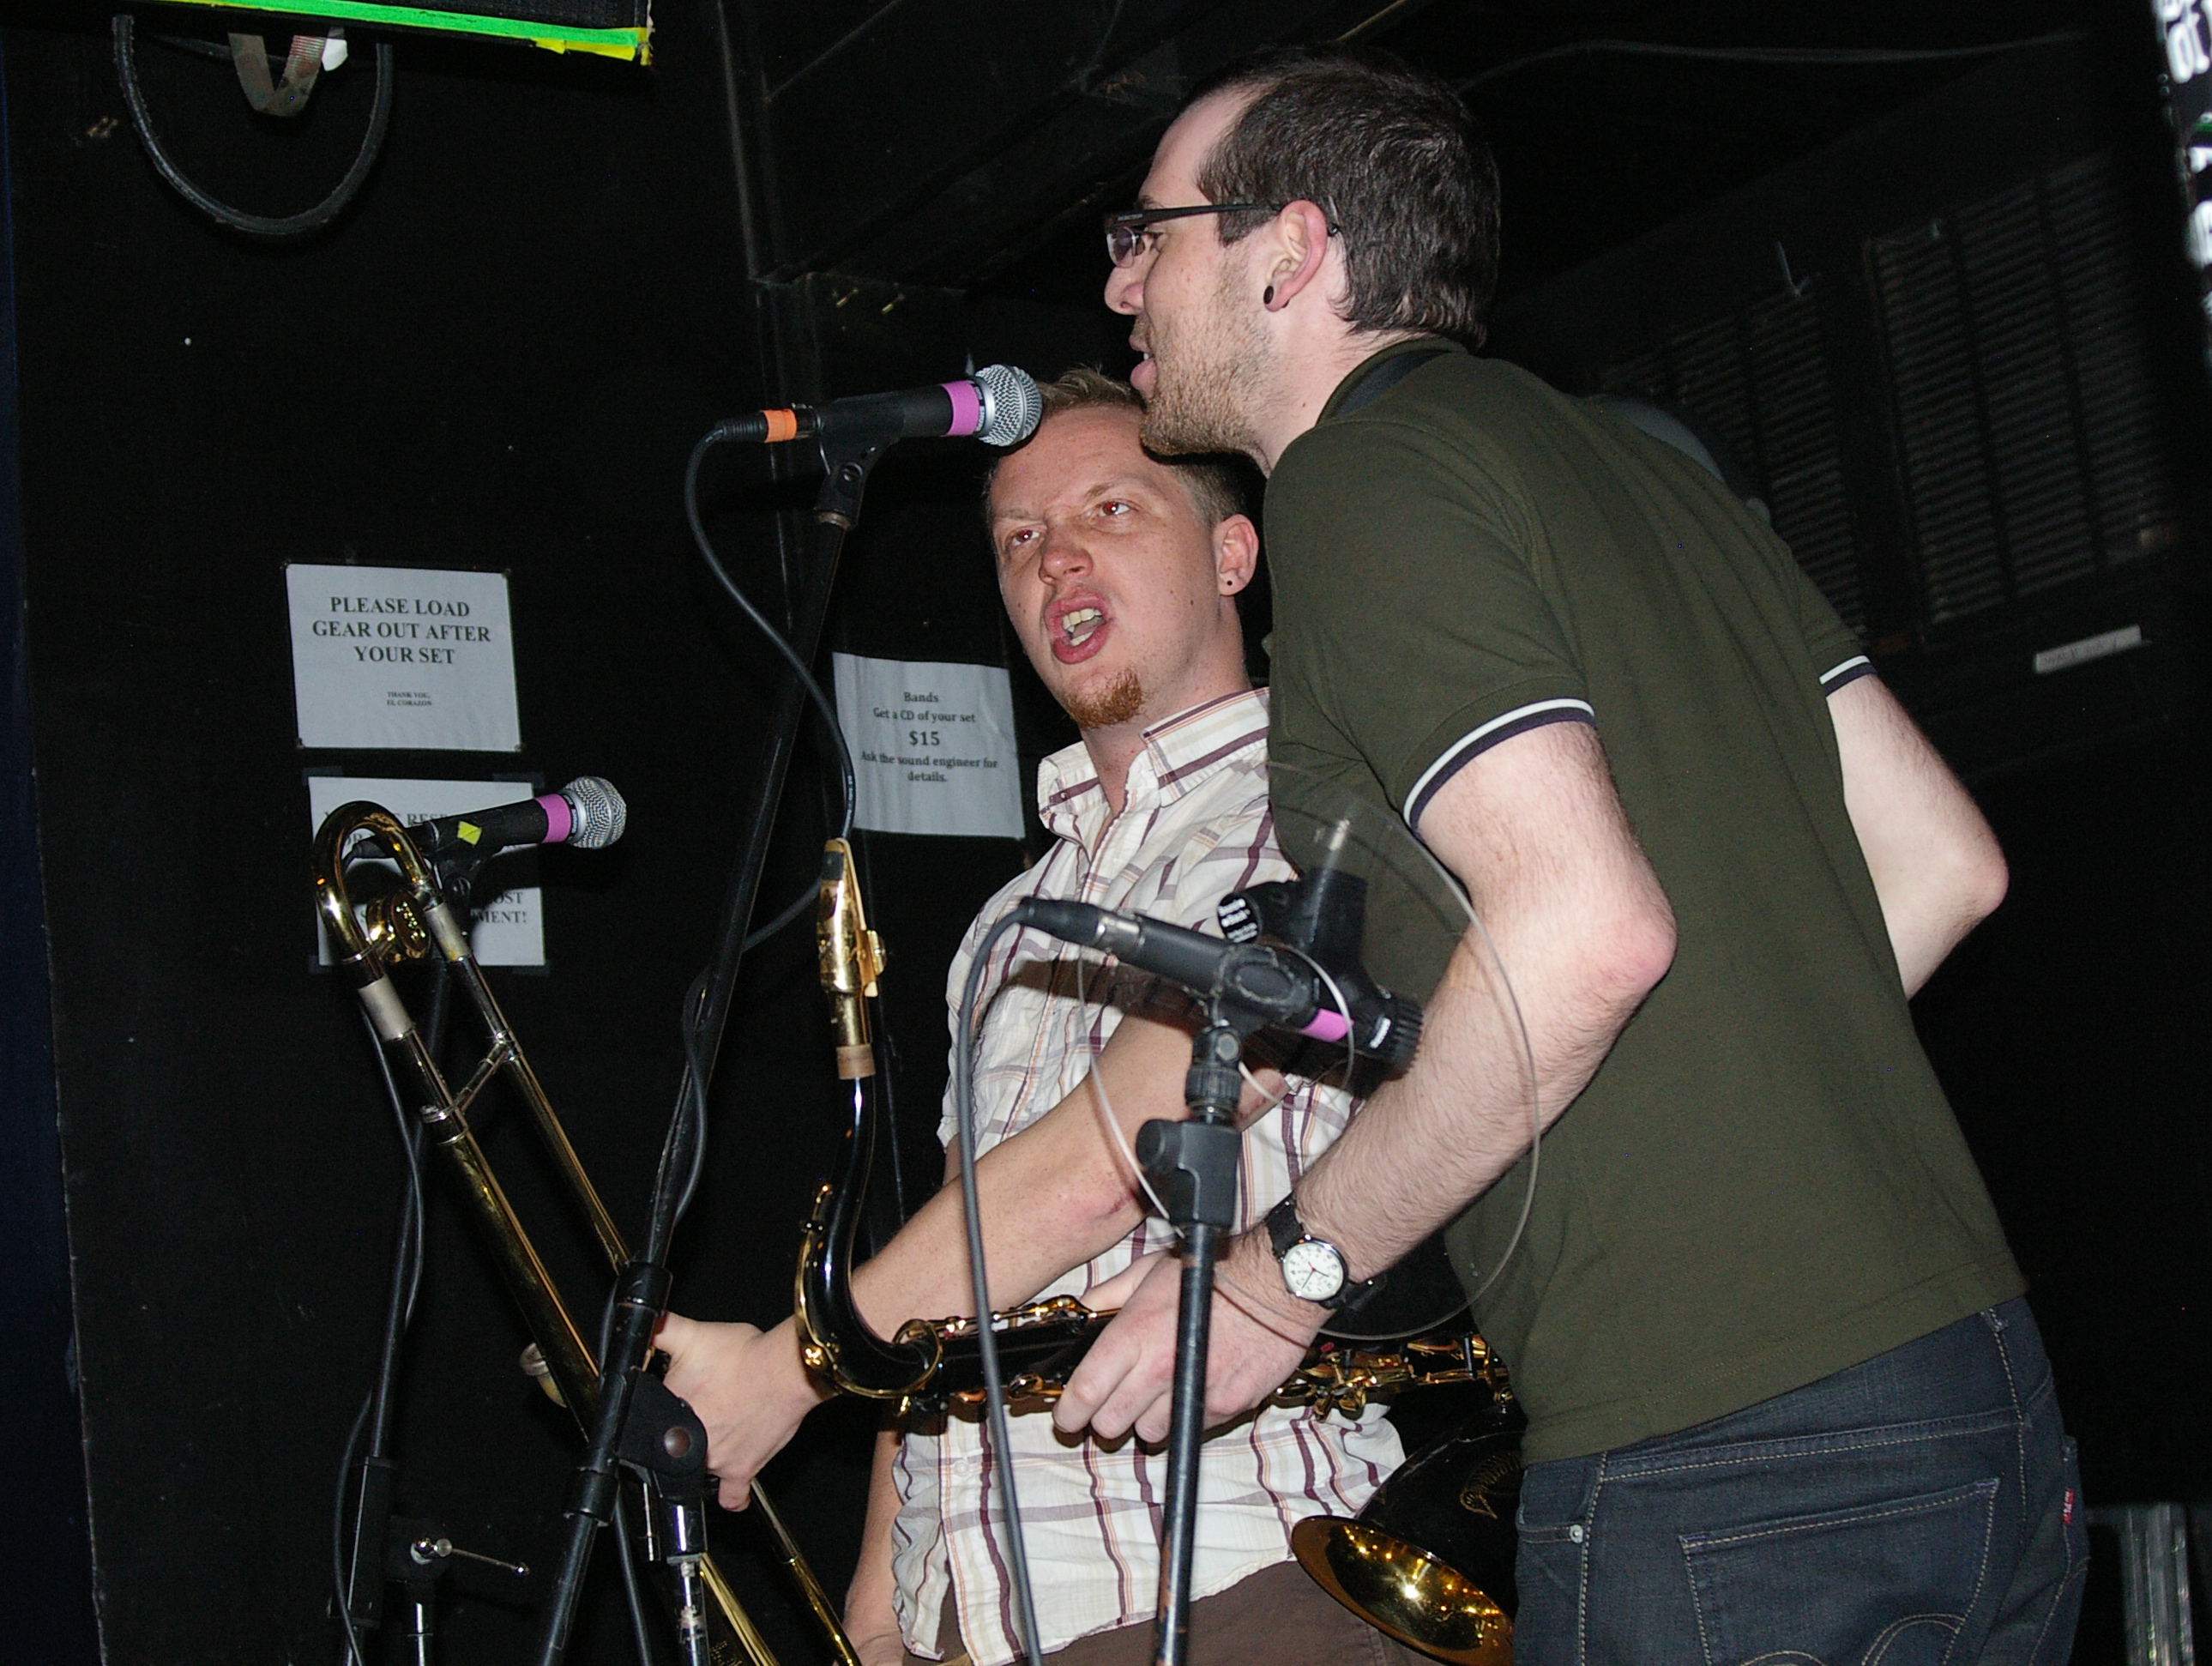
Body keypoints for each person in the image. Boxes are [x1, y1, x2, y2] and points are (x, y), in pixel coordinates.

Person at [1051, 46, 2088, 1663]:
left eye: (1152, 233)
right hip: (1975, 1402)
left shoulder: (1360, 476)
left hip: (1722, 1454)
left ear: (1292, 249)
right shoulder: (1641, 461)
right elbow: (1947, 861)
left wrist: (1281, 1272)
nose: (1123, 283)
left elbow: (1588, 931)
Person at [657, 369, 1415, 1666]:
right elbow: (960, 1264)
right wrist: (885, 1604)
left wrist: (794, 1367)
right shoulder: (1012, 921)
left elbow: (1099, 1169)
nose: (1055, 557)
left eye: (1111, 510)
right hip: (983, 1618)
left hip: (1236, 1582)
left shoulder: (1310, 818)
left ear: (1233, 555)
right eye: (1019, 538)